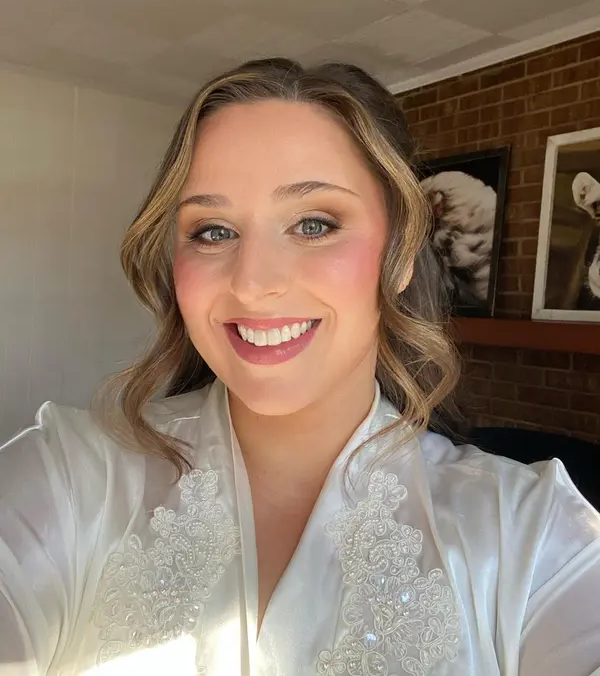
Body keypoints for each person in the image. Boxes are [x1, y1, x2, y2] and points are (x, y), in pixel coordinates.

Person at [0, 58, 599, 676]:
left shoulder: (532, 535)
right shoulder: (69, 476)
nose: (253, 283)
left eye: (314, 224)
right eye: (212, 231)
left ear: (399, 255)